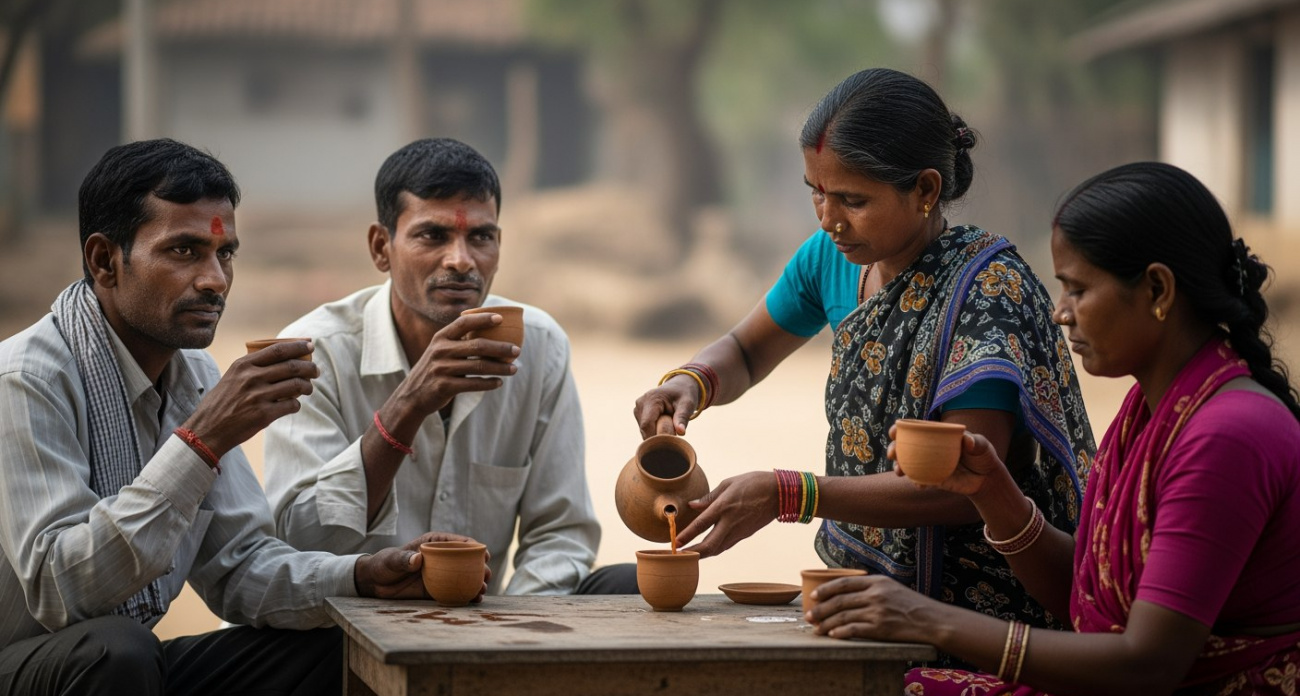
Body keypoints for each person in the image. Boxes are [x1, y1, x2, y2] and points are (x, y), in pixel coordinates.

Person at [0, 139, 488, 696]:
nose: (214, 280)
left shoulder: (196, 375)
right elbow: (63, 592)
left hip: (129, 667)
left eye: (224, 253)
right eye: (184, 252)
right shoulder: (27, 378)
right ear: (104, 261)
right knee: (117, 650)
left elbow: (240, 569)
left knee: (344, 640)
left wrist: (362, 575)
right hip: (32, 664)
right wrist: (201, 441)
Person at [808, 162, 1300, 695]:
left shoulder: (1227, 434)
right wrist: (993, 491)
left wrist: (925, 619)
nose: (1061, 313)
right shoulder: (1152, 412)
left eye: (1077, 289)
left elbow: (1148, 665)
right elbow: (1081, 593)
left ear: (1158, 289)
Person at [633, 68, 1094, 637]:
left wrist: (790, 493)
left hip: (982, 614)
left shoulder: (985, 297)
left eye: (852, 199)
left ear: (925, 191)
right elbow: (746, 352)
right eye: (816, 193)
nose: (828, 219)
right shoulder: (831, 259)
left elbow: (965, 486)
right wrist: (693, 381)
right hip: (865, 595)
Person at [262, 138, 635, 595]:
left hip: (489, 630)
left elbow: (560, 535)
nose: (461, 260)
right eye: (432, 235)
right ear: (382, 247)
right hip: (336, 626)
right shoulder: (314, 353)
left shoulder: (540, 347)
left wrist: (510, 634)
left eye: (481, 237)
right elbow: (299, 541)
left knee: (627, 586)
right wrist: (409, 404)